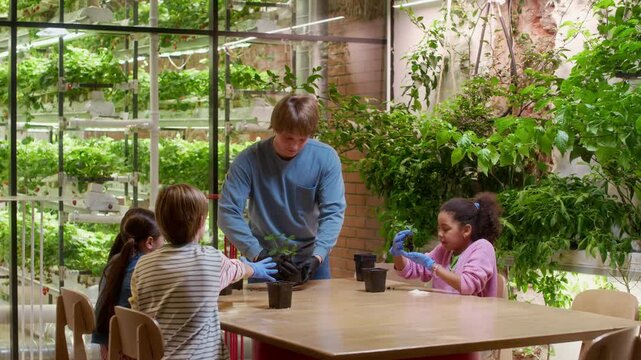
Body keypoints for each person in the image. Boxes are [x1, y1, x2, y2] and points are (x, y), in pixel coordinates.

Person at [130, 184, 278, 359]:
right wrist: (254, 268)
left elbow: (138, 312)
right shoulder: (211, 259)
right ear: (201, 222)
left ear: (160, 224)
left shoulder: (143, 264)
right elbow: (238, 269)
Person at [218, 94, 346, 283]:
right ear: (275, 129)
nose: (294, 146)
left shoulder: (326, 158)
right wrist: (257, 254)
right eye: (288, 138)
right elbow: (227, 213)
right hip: (264, 262)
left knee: (318, 312)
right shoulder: (248, 160)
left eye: (302, 139)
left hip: (311, 259)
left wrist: (318, 256)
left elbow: (333, 212)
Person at [389, 192, 502, 360]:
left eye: (446, 229)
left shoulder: (482, 248)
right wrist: (398, 254)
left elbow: (467, 285)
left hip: (466, 335)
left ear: (466, 230)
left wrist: (433, 266)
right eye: (439, 229)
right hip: (442, 329)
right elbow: (413, 270)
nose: (440, 234)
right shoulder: (445, 250)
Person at [91, 208, 164, 359]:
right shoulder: (146, 269)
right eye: (163, 238)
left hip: (109, 349)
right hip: (130, 352)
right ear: (150, 242)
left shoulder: (115, 262)